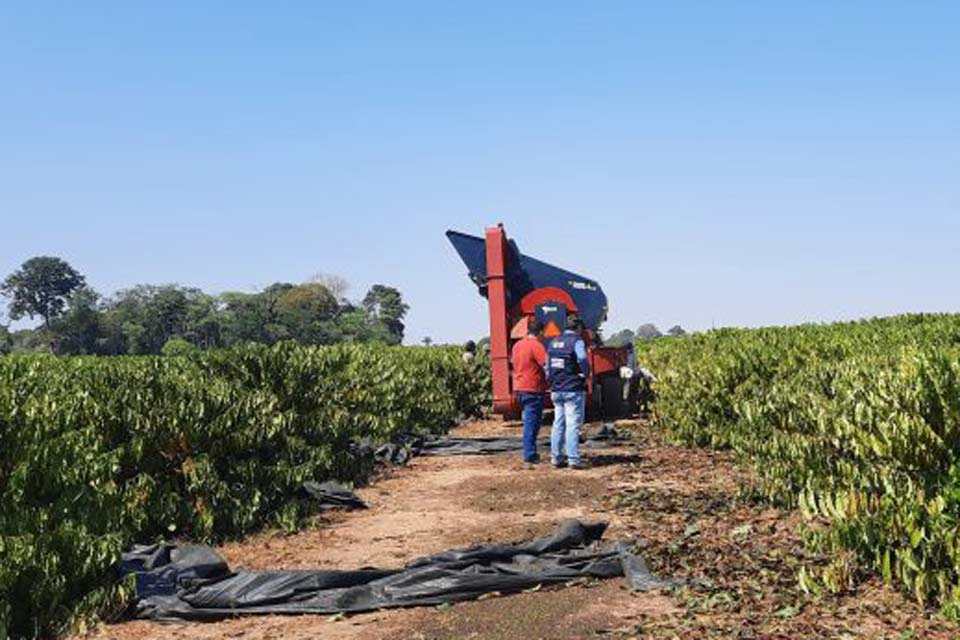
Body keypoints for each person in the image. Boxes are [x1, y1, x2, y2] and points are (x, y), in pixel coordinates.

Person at [547, 315, 591, 470]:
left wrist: (551, 381)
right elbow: (583, 359)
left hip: (556, 389)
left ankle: (556, 458)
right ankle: (573, 459)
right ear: (578, 328)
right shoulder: (577, 341)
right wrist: (586, 374)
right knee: (572, 424)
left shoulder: (554, 342)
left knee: (558, 423)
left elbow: (548, 366)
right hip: (572, 388)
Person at [511, 318, 547, 466]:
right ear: (540, 332)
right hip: (532, 388)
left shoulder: (517, 346)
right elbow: (546, 364)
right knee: (532, 424)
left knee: (528, 421)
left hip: (519, 387)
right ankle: (530, 455)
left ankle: (530, 452)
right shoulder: (536, 346)